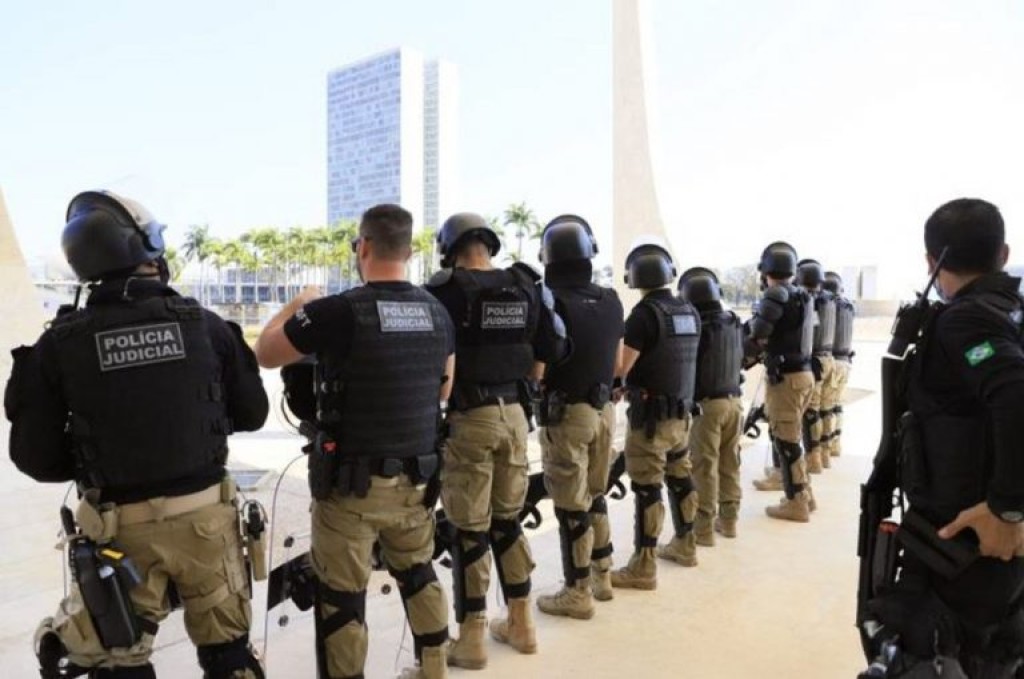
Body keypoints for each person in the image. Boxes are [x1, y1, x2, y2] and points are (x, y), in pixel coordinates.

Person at [5, 191, 269, 678]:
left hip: (117, 535)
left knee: (118, 661)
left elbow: (34, 457)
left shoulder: (59, 344)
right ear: (146, 248)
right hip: (207, 527)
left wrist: (97, 456)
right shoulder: (206, 326)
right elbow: (253, 413)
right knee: (229, 655)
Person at [254, 204, 454, 679]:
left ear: (362, 246)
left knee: (342, 597)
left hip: (351, 491)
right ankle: (434, 667)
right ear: (408, 252)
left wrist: (298, 303)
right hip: (417, 482)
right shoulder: (437, 311)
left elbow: (265, 353)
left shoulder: (337, 311)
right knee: (419, 574)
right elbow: (444, 390)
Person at [859, 198, 1024, 676]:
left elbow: (1015, 393)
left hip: (966, 550)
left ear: (931, 261)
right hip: (982, 552)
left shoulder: (966, 320)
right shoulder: (1009, 314)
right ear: (1002, 253)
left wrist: (1008, 508)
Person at [425, 212, 567, 669]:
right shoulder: (525, 284)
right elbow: (549, 348)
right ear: (489, 245)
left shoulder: (445, 290)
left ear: (450, 250)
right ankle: (522, 625)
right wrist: (525, 384)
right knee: (507, 521)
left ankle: (472, 638)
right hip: (515, 416)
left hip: (471, 417)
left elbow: (434, 363)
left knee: (470, 530)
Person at [533, 215, 624, 620]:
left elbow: (539, 368)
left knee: (570, 505)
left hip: (568, 415)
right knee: (595, 494)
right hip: (605, 412)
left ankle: (577, 591)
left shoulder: (549, 301)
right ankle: (603, 577)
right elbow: (617, 363)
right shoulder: (611, 300)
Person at [611, 239, 701, 589]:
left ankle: (643, 566)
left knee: (648, 489)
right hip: (682, 415)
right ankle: (686, 544)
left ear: (633, 278)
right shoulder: (688, 311)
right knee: (680, 479)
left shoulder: (644, 315)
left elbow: (622, 366)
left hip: (651, 421)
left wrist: (620, 382)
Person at [745, 241, 816, 522]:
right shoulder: (802, 295)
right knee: (793, 438)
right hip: (804, 375)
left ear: (766, 270)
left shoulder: (776, 295)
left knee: (786, 441)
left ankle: (796, 502)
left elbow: (759, 334)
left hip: (787, 378)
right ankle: (805, 495)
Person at [678, 267, 745, 543]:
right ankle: (729, 521)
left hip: (707, 408)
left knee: (703, 468)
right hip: (734, 403)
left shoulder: (696, 326)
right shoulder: (733, 322)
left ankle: (703, 528)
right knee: (730, 463)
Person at [795, 258, 837, 474]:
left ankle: (814, 459)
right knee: (825, 410)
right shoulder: (830, 300)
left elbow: (807, 331)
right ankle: (824, 454)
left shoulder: (811, 301)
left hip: (816, 361)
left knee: (811, 413)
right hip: (829, 358)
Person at [822, 271, 854, 459]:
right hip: (845, 362)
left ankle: (824, 452)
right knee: (837, 407)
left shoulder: (829, 305)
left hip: (833, 362)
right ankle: (835, 445)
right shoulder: (848, 306)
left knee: (825, 410)